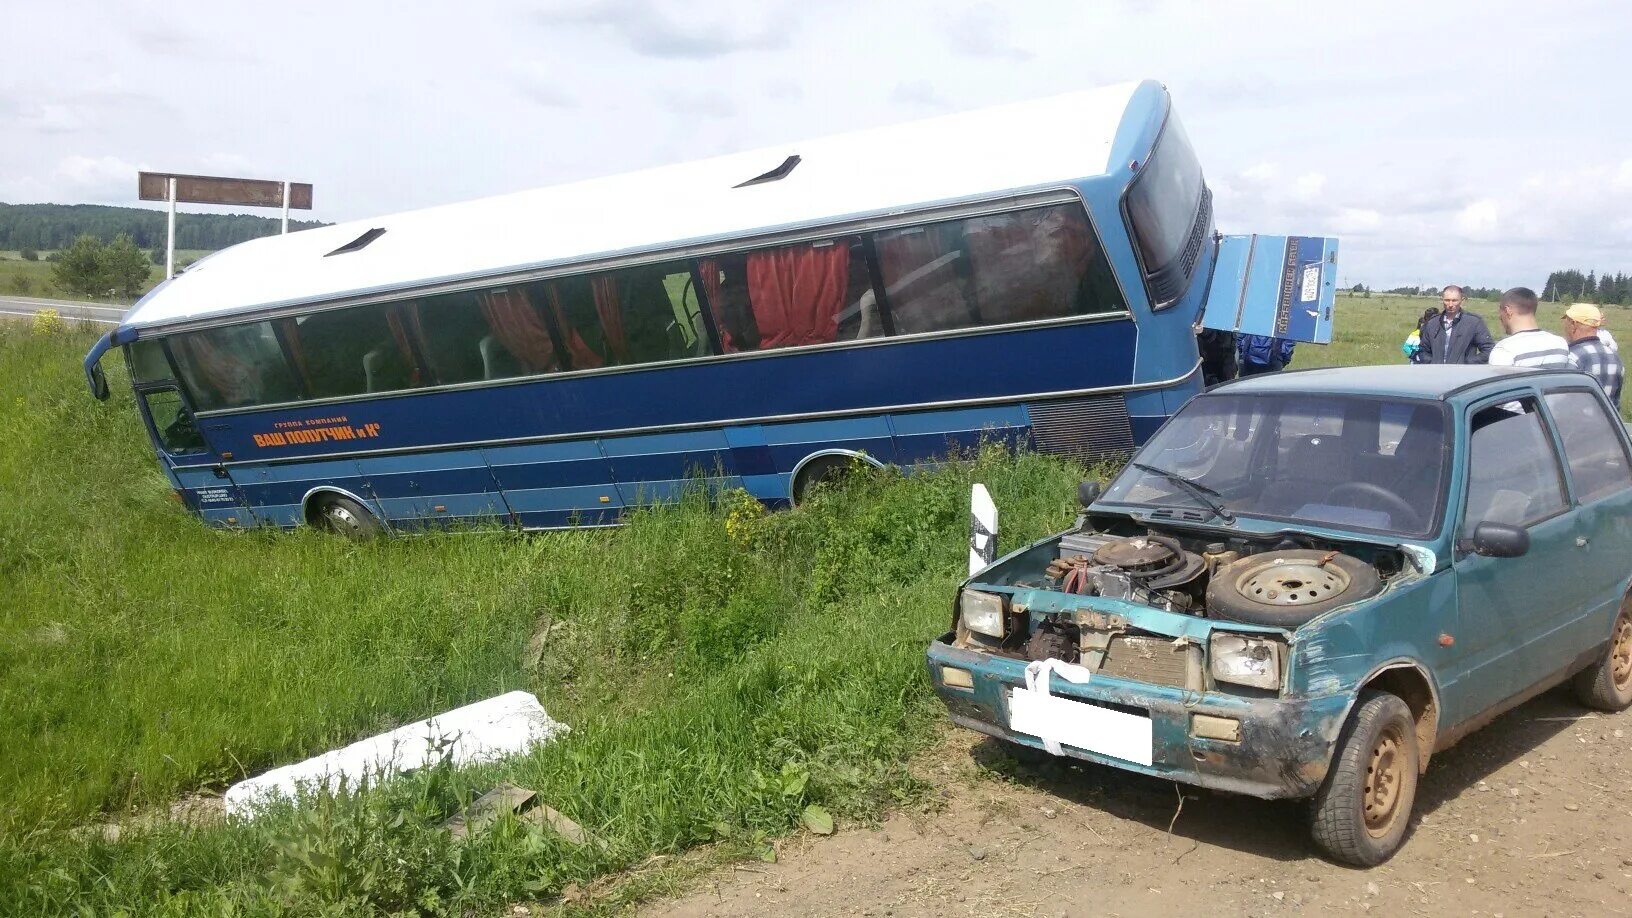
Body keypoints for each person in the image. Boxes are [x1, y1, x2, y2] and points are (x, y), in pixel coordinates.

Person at [1488, 286, 1578, 369]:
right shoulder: (1561, 343)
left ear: (1508, 311)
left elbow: (1498, 385)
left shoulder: (1504, 350)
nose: (1499, 316)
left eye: (1500, 310)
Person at [1562, 302, 1623, 407]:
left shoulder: (1572, 357)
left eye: (1566, 322)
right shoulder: (1615, 357)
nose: (1564, 327)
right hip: (1607, 422)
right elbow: (1616, 401)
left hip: (1578, 421)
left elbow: (1565, 401)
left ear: (1573, 324)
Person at [1418, 285, 1494, 364]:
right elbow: (1422, 350)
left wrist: (1467, 363)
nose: (1450, 305)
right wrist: (1432, 362)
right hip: (1437, 373)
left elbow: (1488, 350)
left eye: (1454, 300)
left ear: (1462, 300)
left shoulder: (1474, 323)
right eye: (1447, 300)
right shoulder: (1432, 323)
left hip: (1463, 374)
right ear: (1442, 300)